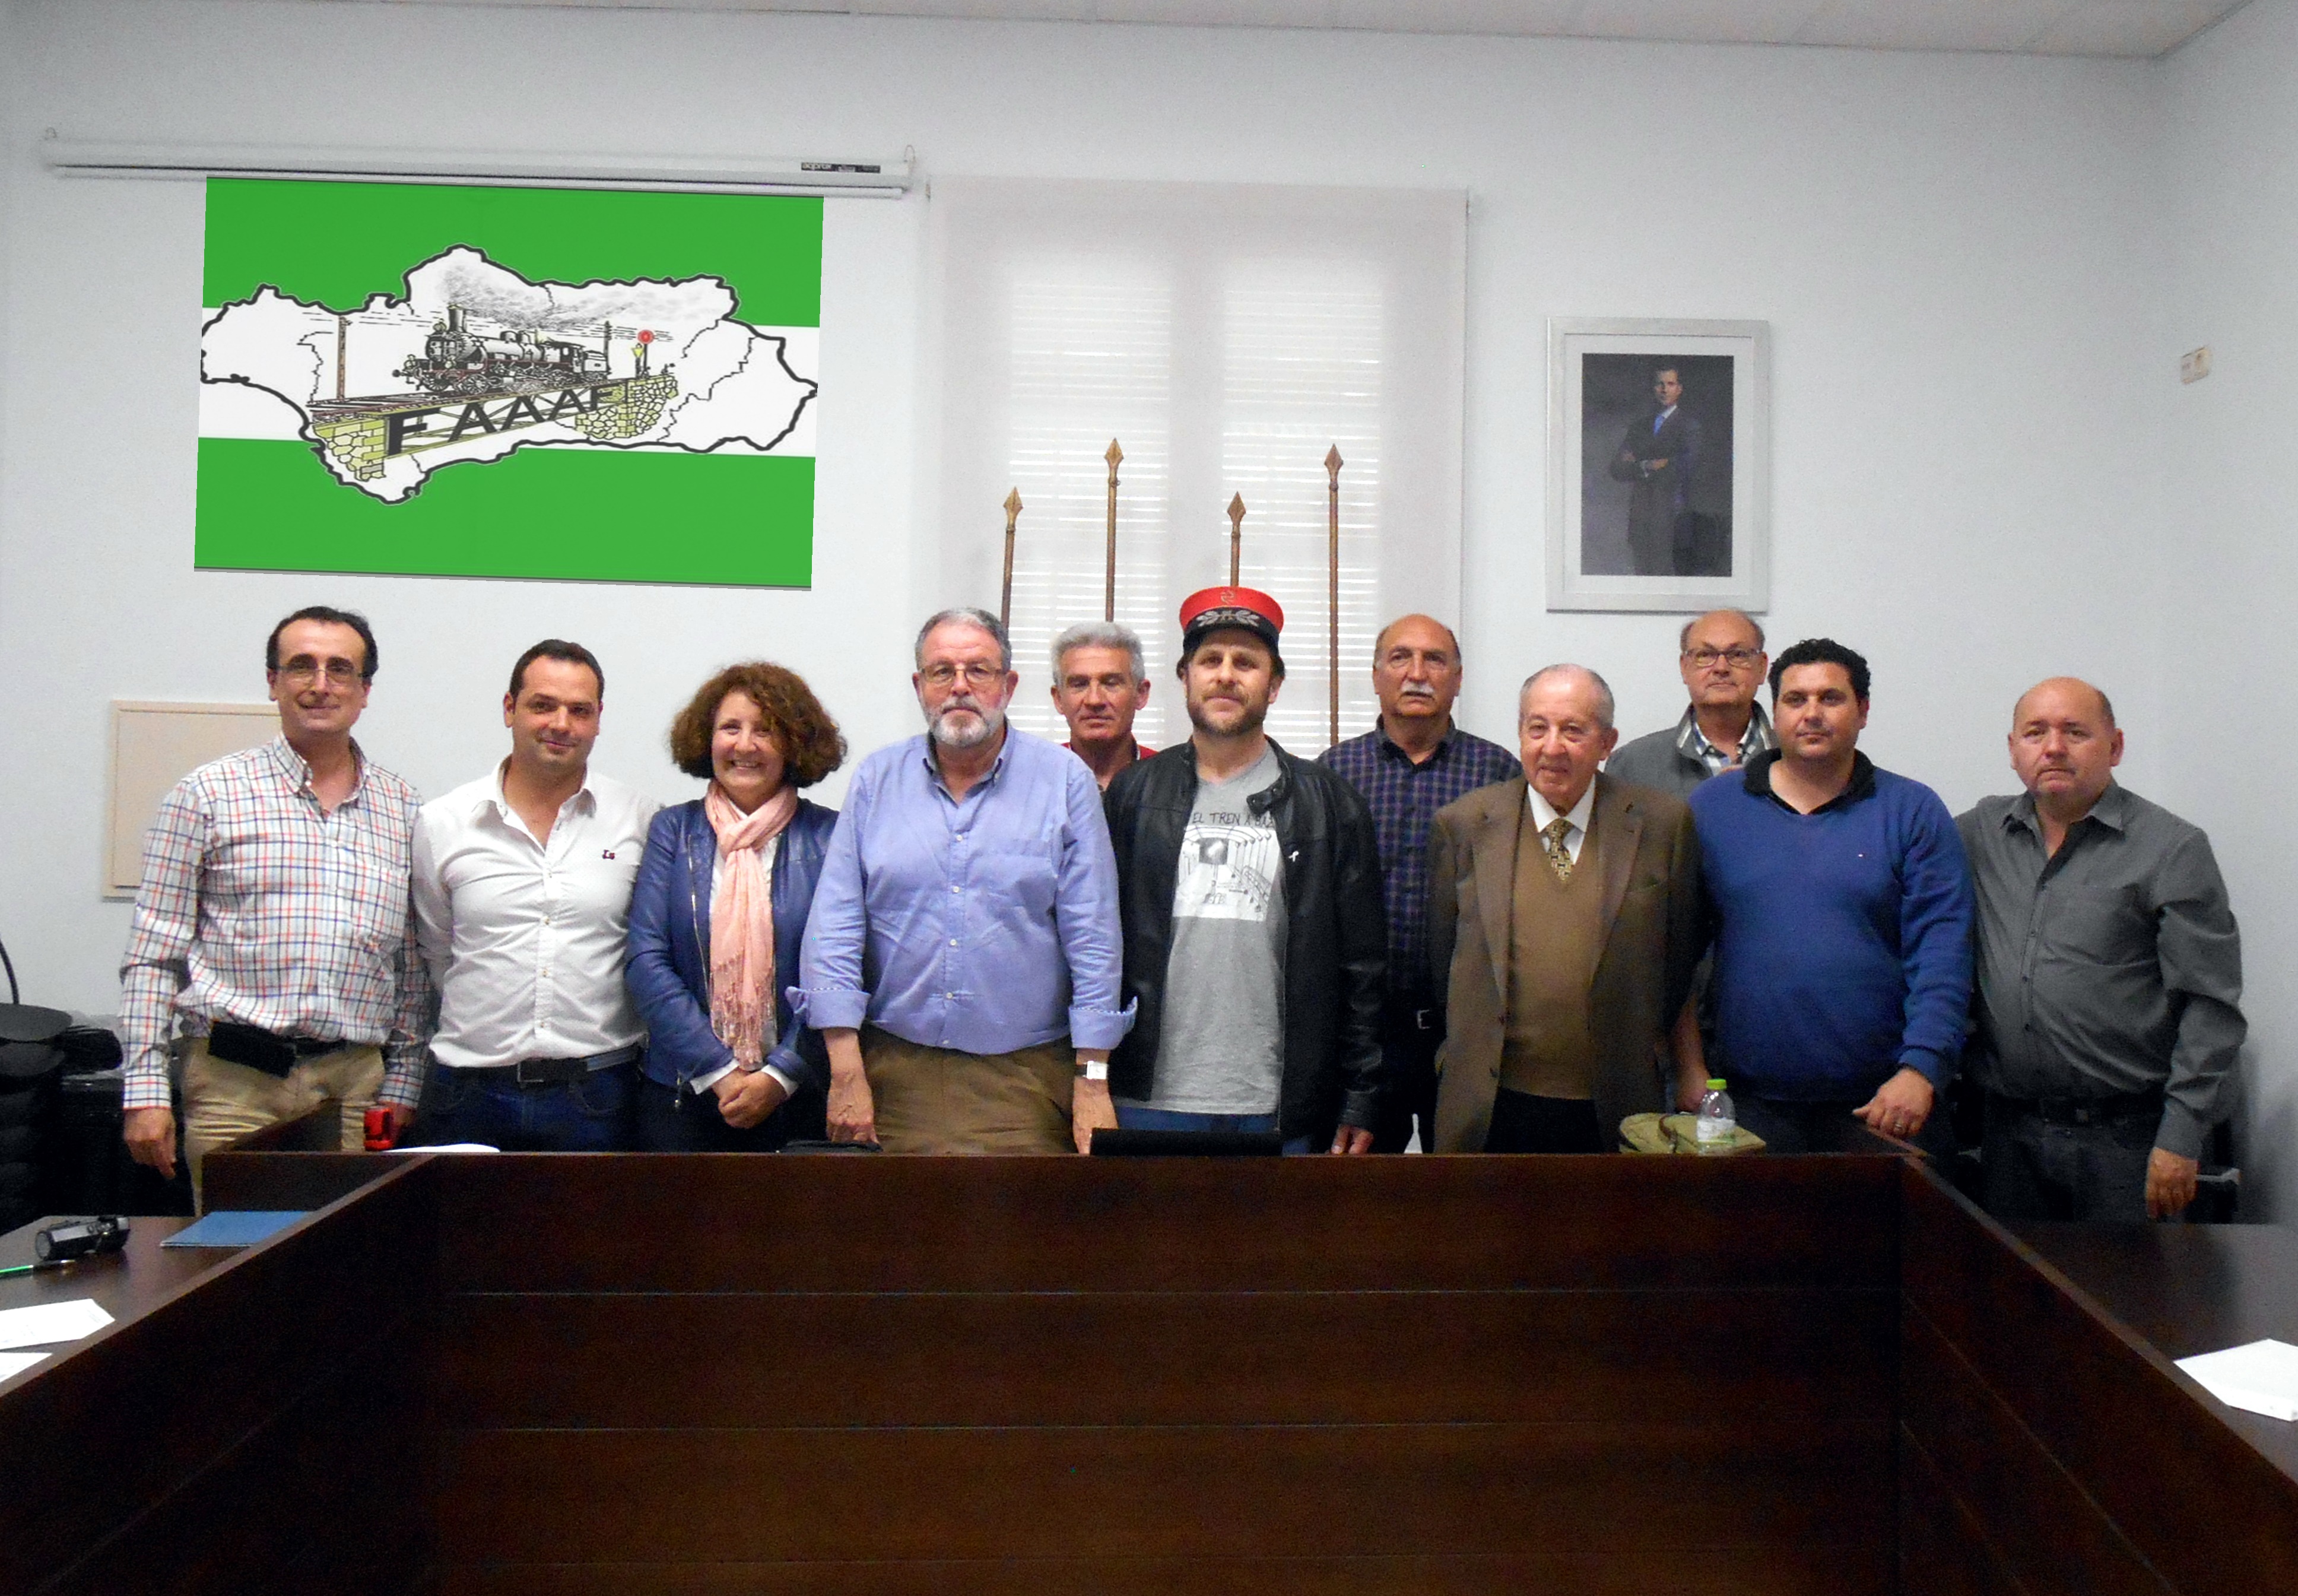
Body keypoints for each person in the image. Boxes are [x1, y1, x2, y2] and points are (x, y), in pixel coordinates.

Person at [118, 605, 425, 1202]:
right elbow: (154, 956)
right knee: (234, 1248)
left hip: (353, 1087)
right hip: (234, 1083)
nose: (320, 684)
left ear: (365, 691)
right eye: (302, 666)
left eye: (340, 669)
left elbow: (412, 968)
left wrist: (404, 1082)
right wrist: (146, 1091)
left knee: (348, 1247)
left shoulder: (405, 810)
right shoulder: (206, 795)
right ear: (273, 681)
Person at [795, 608, 1128, 1154]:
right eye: (942, 671)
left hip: (1024, 1081)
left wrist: (1093, 1082)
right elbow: (835, 926)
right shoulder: (878, 779)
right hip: (893, 1077)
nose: (959, 686)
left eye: (978, 670)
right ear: (919, 686)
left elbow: (1094, 940)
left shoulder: (1064, 781)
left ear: (1009, 685)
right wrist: (846, 1071)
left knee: (1021, 1213)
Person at [1103, 587, 1386, 1153]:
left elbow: (1363, 967)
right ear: (1186, 677)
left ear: (1274, 685)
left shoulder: (1329, 803)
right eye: (1210, 660)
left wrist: (1360, 1095)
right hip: (1146, 1098)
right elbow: (1095, 946)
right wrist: (1088, 1078)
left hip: (1279, 1103)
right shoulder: (1133, 795)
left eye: (1246, 663)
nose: (1226, 675)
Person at [1959, 678, 2243, 1221]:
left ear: (2115, 746)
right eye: (2035, 733)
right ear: (2013, 750)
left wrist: (2182, 1135)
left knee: (2133, 1279)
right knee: (2015, 1276)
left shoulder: (2171, 848)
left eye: (2075, 732)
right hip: (2008, 1136)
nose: (2054, 747)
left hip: (2129, 1140)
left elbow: (2211, 1005)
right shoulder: (1978, 836)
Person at [1688, 639, 1973, 1153]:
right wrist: (1689, 1068)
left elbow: (1942, 955)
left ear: (1863, 710)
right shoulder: (1713, 808)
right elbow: (1676, 953)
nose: (1812, 714)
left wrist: (1921, 1069)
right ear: (1775, 712)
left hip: (1885, 1104)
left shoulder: (1912, 810)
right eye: (1796, 699)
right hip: (1747, 1104)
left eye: (1831, 698)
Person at [1427, 665, 1705, 1154]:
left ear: (1607, 742)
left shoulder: (1662, 824)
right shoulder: (1465, 824)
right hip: (1493, 1101)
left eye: (1573, 730)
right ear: (1520, 733)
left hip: (1618, 1098)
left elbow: (1679, 957)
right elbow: (1442, 960)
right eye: (1538, 728)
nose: (1552, 747)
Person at [399, 642, 656, 1151]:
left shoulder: (641, 820)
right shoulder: (444, 823)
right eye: (543, 705)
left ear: (598, 720)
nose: (561, 723)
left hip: (600, 1093)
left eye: (579, 710)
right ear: (509, 708)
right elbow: (439, 952)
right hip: (468, 1092)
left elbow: (646, 949)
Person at [1318, 614, 1517, 1152]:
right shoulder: (1334, 774)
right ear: (1376, 675)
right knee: (1359, 1191)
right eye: (1400, 657)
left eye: (1435, 660)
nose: (1417, 673)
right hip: (1361, 1038)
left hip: (1463, 1033)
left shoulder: (1498, 774)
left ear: (1458, 678)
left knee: (1463, 1187)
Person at [627, 661, 845, 1151]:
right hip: (682, 1095)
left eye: (765, 730)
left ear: (794, 743)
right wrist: (719, 1070)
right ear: (707, 739)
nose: (745, 745)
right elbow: (646, 960)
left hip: (798, 1099)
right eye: (731, 728)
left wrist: (781, 1075)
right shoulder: (672, 831)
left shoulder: (831, 837)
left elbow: (843, 969)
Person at [1605, 609, 1776, 795]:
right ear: (1684, 667)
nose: (1721, 668)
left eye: (1738, 655)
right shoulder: (1633, 764)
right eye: (1705, 655)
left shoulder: (1795, 758)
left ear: (1762, 667)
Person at [1607, 366, 1702, 576]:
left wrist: (1640, 462)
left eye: (1670, 384)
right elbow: (1617, 468)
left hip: (1672, 518)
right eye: (1660, 384)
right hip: (1641, 517)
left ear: (1679, 389)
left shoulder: (1688, 427)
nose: (1664, 390)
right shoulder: (1639, 427)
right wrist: (1647, 465)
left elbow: (1687, 467)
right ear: (1653, 388)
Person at [1050, 620, 1154, 789]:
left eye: (1111, 683)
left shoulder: (1170, 778)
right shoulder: (1033, 778)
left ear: (1141, 694)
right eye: (1079, 685)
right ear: (1059, 699)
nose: (1095, 700)